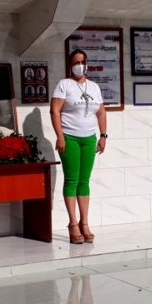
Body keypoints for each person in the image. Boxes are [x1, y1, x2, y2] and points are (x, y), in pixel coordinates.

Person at [50, 49, 107, 244]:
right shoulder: (64, 85)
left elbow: (101, 112)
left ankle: (85, 223)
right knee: (72, 180)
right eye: (76, 62)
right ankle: (73, 224)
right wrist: (60, 137)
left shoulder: (94, 87)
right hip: (70, 138)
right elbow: (54, 111)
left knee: (85, 180)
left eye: (82, 61)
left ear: (87, 64)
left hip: (89, 139)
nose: (79, 65)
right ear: (70, 64)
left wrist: (103, 136)